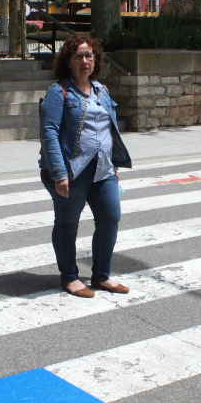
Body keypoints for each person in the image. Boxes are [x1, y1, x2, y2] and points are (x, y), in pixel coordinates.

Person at [39, 35, 132, 298]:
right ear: (68, 61)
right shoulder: (59, 92)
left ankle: (101, 276)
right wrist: (59, 174)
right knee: (68, 224)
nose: (85, 60)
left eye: (89, 55)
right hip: (71, 171)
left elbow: (108, 131)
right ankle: (69, 277)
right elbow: (49, 133)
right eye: (78, 56)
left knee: (110, 218)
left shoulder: (102, 90)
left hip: (103, 170)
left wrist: (113, 162)